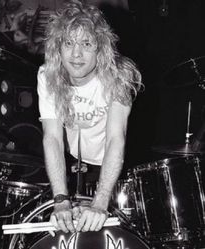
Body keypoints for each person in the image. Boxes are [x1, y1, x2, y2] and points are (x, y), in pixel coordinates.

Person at [37, 0, 142, 234]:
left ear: (100, 47)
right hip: (74, 165)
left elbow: (116, 138)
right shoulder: (48, 75)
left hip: (114, 168)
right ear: (58, 47)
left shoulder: (120, 76)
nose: (76, 54)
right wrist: (61, 199)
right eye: (69, 43)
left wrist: (101, 201)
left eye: (86, 43)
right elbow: (52, 138)